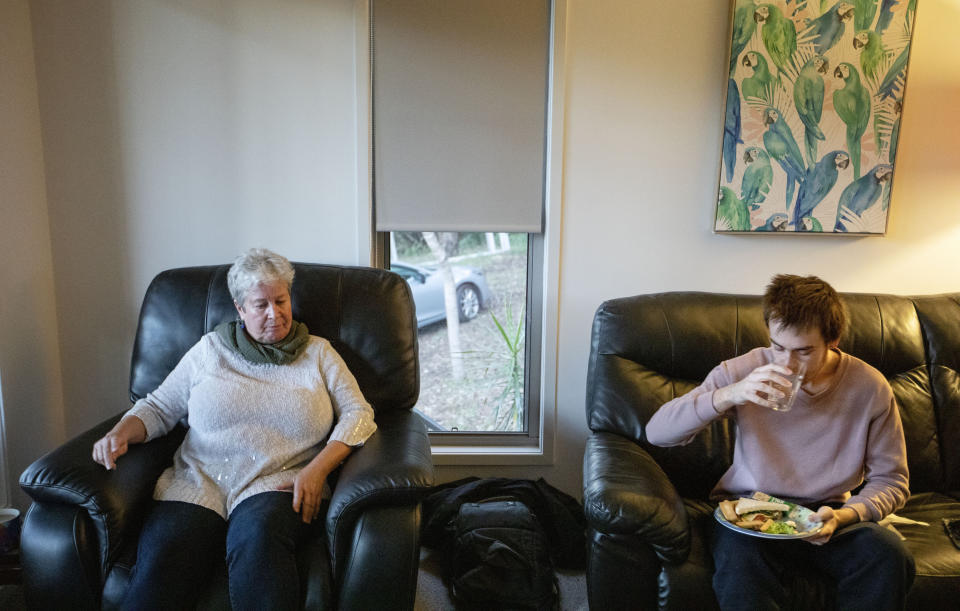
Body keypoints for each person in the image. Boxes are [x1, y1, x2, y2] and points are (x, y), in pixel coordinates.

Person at [92, 248, 377, 611]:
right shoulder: (209, 350)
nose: (275, 314)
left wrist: (318, 468)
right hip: (199, 481)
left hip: (280, 482)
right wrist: (121, 432)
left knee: (257, 539)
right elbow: (160, 406)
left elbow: (359, 413)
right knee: (167, 555)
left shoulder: (318, 354)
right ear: (240, 308)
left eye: (281, 300)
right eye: (261, 305)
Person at [645, 274, 914, 611]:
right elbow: (657, 432)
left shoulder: (869, 387)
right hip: (750, 512)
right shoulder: (742, 371)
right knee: (742, 569)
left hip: (824, 514)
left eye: (803, 352)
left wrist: (845, 516)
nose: (785, 364)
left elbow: (892, 481)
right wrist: (732, 394)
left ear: (833, 340)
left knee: (888, 554)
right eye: (778, 347)